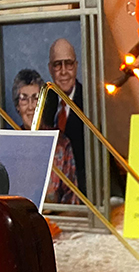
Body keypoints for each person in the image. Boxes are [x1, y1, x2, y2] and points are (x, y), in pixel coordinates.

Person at [12, 68, 79, 205]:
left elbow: (72, 201)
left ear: (44, 104)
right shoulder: (9, 144)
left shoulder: (60, 143)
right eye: (24, 99)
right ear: (17, 106)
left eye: (36, 98)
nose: (31, 106)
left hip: (53, 221)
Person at [42, 39, 85, 194]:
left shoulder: (90, 102)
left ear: (76, 66)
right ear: (50, 69)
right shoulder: (44, 100)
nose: (64, 71)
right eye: (57, 64)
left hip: (82, 195)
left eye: (69, 63)